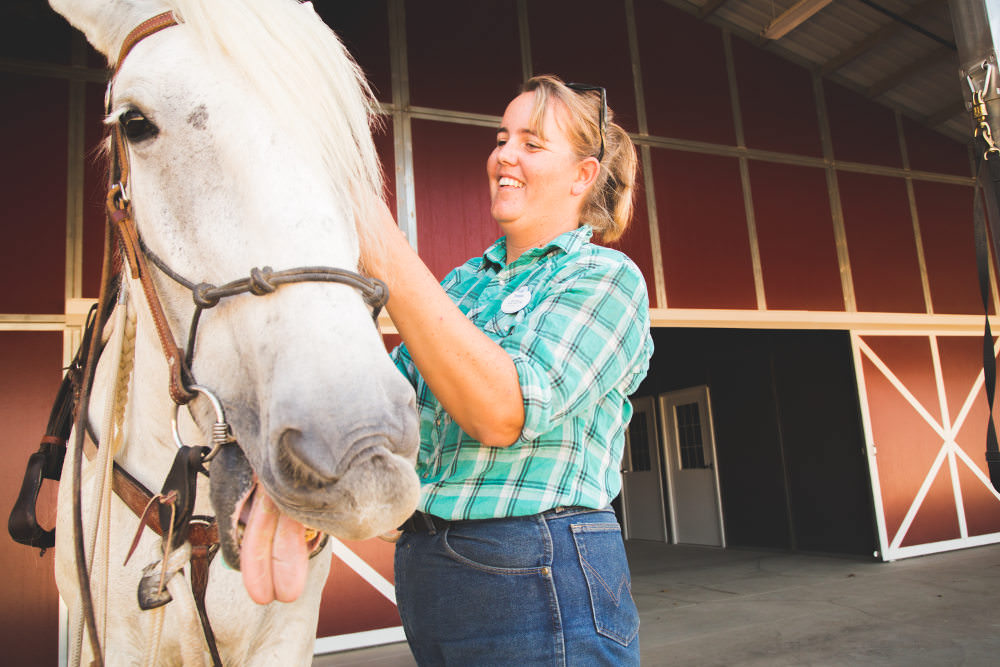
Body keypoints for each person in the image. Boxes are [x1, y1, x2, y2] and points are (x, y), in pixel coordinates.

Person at [363, 74, 653, 665]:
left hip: (539, 570)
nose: (504, 155)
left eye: (532, 142)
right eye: (501, 138)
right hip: (431, 571)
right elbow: (389, 403)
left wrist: (379, 241)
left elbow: (503, 412)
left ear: (583, 175)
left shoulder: (606, 278)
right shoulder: (464, 283)